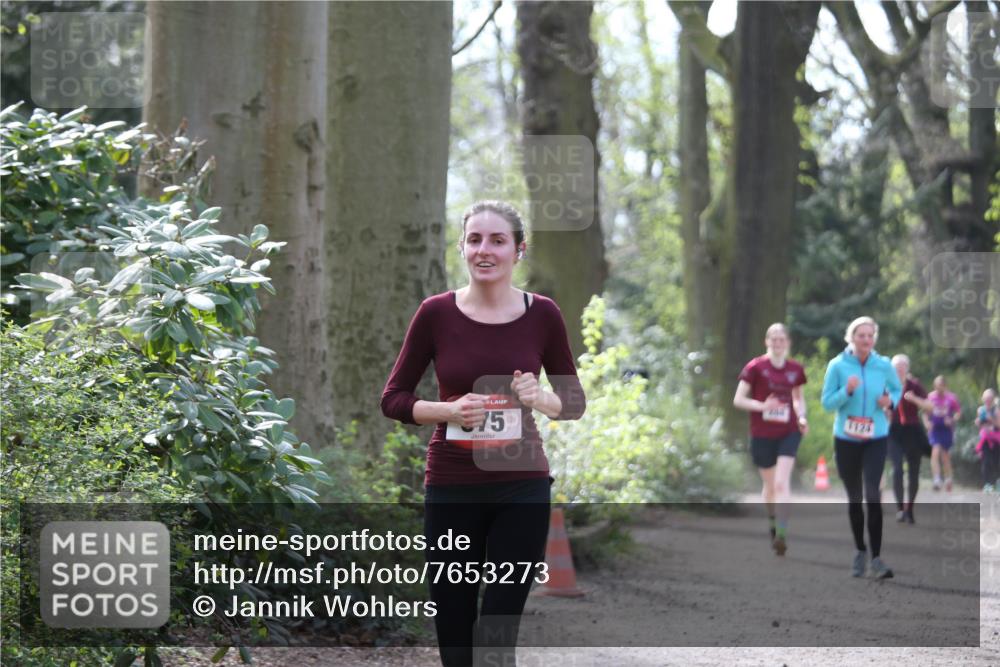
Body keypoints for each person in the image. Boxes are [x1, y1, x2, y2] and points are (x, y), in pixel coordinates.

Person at [380, 200, 586, 667]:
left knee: (496, 633)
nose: (484, 250)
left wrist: (539, 398)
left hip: (523, 485)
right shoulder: (435, 313)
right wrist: (446, 409)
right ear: (463, 248)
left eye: (497, 240)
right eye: (475, 239)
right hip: (452, 485)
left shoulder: (544, 315)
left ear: (519, 250)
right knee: (454, 631)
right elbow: (393, 398)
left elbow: (573, 403)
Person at [821, 316, 901, 579]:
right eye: (861, 335)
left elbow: (897, 390)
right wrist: (847, 391)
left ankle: (877, 558)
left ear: (874, 339)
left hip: (876, 438)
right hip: (846, 441)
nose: (866, 340)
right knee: (855, 498)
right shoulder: (837, 365)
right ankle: (859, 551)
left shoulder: (884, 365)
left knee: (873, 495)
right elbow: (827, 403)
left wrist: (889, 401)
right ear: (851, 337)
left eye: (870, 335)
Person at [733, 323, 808, 556]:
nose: (777, 343)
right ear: (767, 342)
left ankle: (782, 533)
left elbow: (798, 398)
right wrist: (762, 405)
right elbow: (738, 400)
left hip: (789, 431)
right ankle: (773, 523)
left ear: (788, 343)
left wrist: (802, 416)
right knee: (769, 486)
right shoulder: (755, 367)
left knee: (781, 483)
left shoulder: (795, 369)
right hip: (761, 433)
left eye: (781, 339)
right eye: (773, 339)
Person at [886, 354, 931, 524]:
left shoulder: (915, 385)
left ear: (907, 368)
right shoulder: (887, 385)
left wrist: (914, 399)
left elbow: (930, 406)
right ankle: (900, 509)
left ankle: (910, 508)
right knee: (897, 470)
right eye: (896, 366)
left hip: (913, 430)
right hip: (894, 431)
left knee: (914, 472)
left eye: (903, 366)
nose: (899, 369)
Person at [926, 375, 961, 492]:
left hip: (946, 430)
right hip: (935, 429)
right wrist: (927, 423)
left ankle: (949, 479)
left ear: (945, 386)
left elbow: (958, 412)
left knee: (945, 455)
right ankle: (936, 479)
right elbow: (925, 412)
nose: (938, 388)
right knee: (935, 452)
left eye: (941, 385)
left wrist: (952, 420)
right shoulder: (930, 397)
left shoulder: (951, 398)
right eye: (936, 385)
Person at [975, 389, 1000, 492]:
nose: (987, 400)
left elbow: (998, 425)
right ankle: (987, 484)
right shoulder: (981, 410)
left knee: (997, 462)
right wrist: (978, 423)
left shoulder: (997, 410)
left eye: (989, 398)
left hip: (996, 440)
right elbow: (980, 425)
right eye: (986, 398)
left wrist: (992, 420)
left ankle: (997, 482)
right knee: (986, 461)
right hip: (985, 439)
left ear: (993, 399)